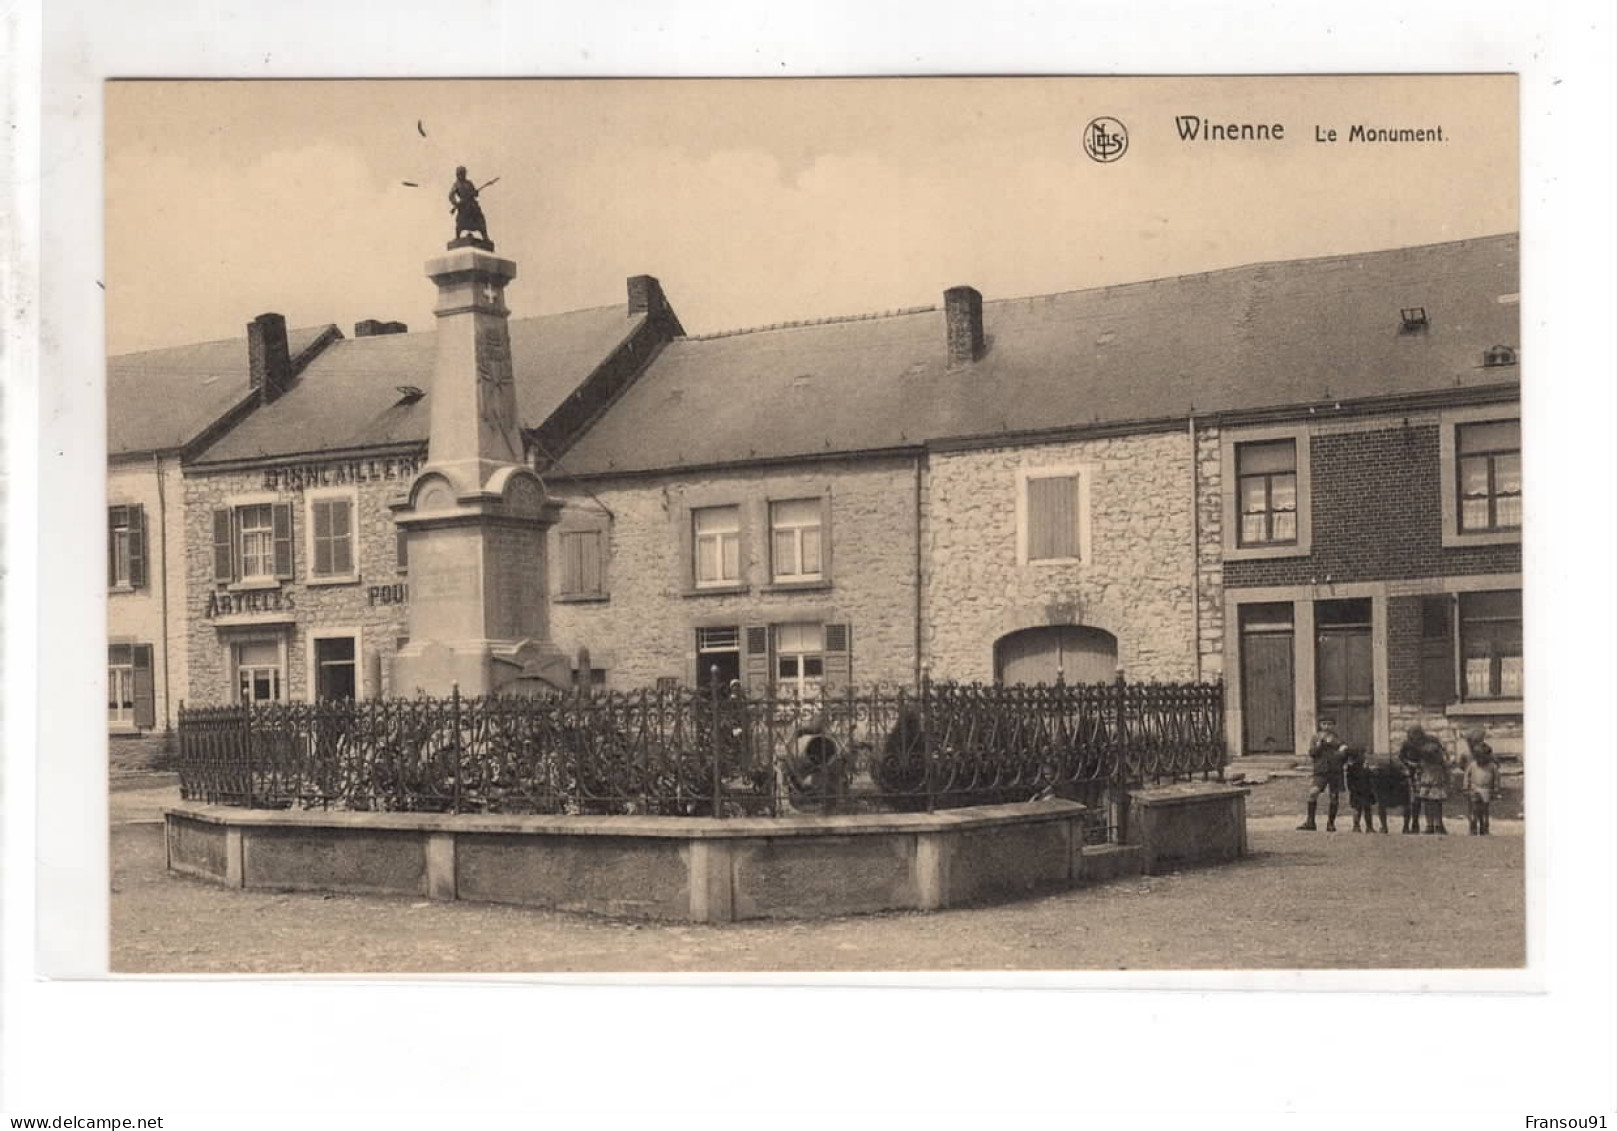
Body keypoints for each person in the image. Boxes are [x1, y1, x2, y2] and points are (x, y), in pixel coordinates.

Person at [1298, 716, 1349, 831]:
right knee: (1313, 792)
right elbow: (1312, 753)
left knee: (1334, 796)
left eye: (1329, 724)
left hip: (1335, 771)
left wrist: (1339, 752)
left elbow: (1344, 754)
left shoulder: (1339, 739)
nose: (1326, 727)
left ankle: (1330, 823)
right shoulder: (1315, 738)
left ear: (1334, 725)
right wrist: (1320, 744)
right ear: (1320, 725)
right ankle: (1310, 822)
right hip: (1321, 771)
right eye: (1324, 724)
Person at [1462, 727, 1500, 836]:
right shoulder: (1471, 762)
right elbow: (1466, 774)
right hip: (1474, 788)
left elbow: (1497, 775)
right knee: (1473, 808)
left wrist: (1496, 788)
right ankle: (1473, 827)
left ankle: (1484, 827)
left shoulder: (1490, 763)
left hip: (1486, 789)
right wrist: (1466, 786)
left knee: (1484, 809)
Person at [1397, 726, 1430, 834]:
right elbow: (1401, 757)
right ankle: (1406, 825)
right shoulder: (1406, 744)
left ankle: (1415, 823)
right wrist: (1408, 764)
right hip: (1408, 774)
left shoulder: (1424, 744)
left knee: (1418, 800)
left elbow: (1426, 757)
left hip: (1420, 773)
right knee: (1407, 800)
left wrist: (1421, 765)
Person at [449, 166, 491, 243]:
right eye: (460, 173)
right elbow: (451, 196)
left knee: (480, 218)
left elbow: (475, 193)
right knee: (460, 221)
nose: (462, 175)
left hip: (472, 204)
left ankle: (485, 236)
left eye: (463, 173)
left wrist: (475, 193)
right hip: (463, 206)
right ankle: (457, 237)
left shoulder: (469, 183)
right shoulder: (456, 184)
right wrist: (456, 203)